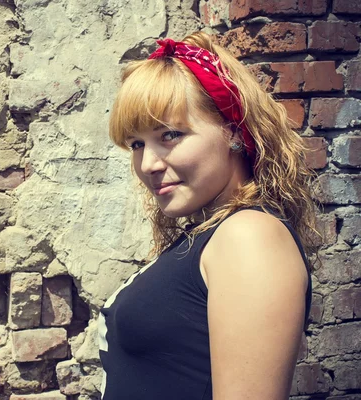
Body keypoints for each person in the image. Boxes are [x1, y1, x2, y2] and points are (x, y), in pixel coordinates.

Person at [97, 31, 320, 399]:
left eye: (169, 135)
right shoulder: (211, 233)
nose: (147, 164)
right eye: (137, 144)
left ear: (232, 131)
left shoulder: (250, 237)